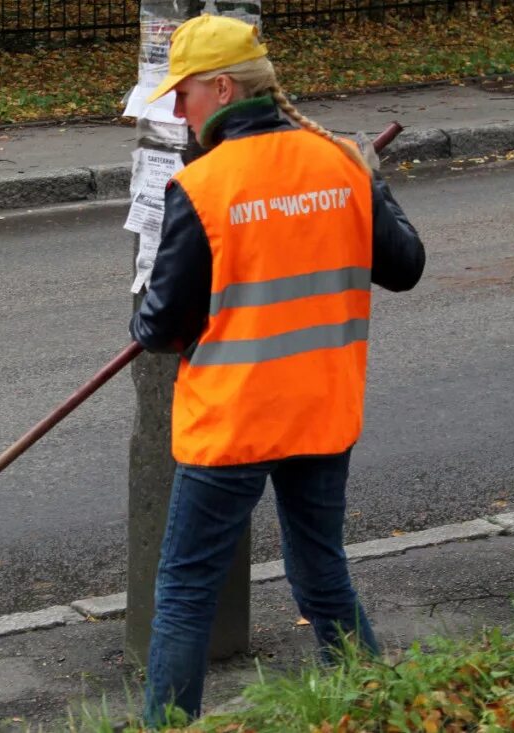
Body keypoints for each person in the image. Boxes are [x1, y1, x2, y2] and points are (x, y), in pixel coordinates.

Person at [129, 13, 426, 727]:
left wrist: (142, 310)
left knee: (186, 589)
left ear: (224, 88)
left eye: (185, 92)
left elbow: (161, 327)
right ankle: (377, 708)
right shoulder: (340, 164)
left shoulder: (203, 187)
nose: (177, 108)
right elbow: (405, 267)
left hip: (234, 422)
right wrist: (374, 186)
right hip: (321, 412)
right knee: (321, 571)